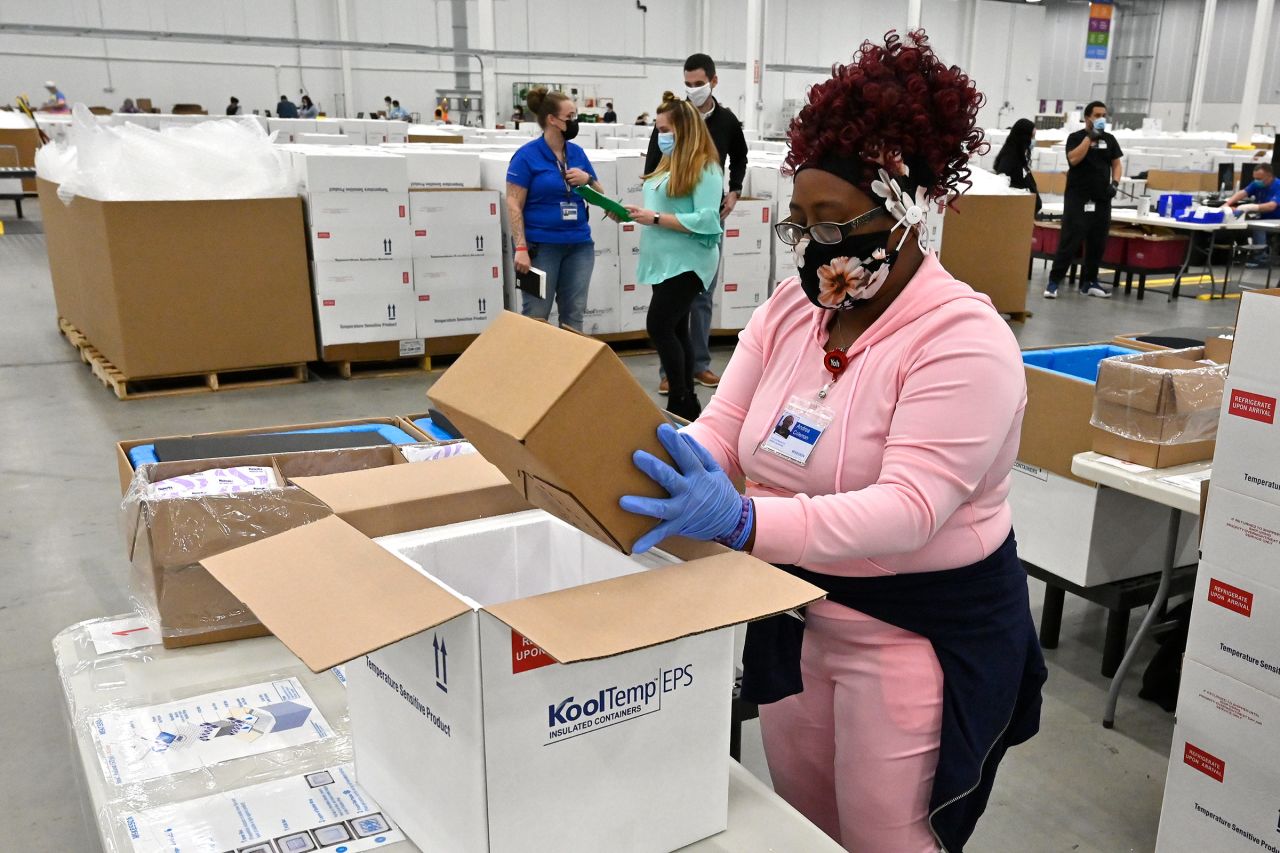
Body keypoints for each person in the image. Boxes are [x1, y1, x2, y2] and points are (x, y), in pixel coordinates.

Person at [618, 30, 1046, 853]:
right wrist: (689, 462)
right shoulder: (792, 310)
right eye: (801, 223)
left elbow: (909, 510)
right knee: (803, 823)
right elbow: (727, 424)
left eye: (836, 220)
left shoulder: (961, 340)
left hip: (915, 634)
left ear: (910, 207)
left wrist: (744, 524)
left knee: (891, 834)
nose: (819, 245)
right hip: (795, 612)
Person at [645, 53, 749, 394]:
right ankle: (673, 375)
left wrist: (734, 191)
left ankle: (695, 369)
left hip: (700, 224)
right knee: (669, 319)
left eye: (698, 83)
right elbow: (653, 165)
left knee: (695, 302)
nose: (693, 90)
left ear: (714, 81)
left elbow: (739, 157)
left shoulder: (725, 125)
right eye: (687, 84)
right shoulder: (672, 124)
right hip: (670, 230)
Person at [624, 93, 725, 421]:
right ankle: (687, 404)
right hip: (664, 261)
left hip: (688, 261)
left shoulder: (705, 168)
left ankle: (680, 399)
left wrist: (653, 218)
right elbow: (662, 208)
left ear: (684, 128)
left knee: (659, 324)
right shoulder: (669, 164)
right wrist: (633, 213)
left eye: (665, 129)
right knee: (677, 329)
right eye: (658, 130)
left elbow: (707, 219)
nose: (660, 136)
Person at [506, 87, 607, 333]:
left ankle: (571, 371)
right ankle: (534, 371)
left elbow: (599, 195)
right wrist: (520, 248)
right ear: (552, 120)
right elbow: (513, 203)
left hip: (579, 245)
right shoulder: (526, 156)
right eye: (570, 116)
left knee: (573, 314)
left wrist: (588, 180)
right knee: (536, 316)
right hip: (541, 247)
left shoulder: (577, 153)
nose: (575, 122)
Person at [1045, 101, 1123, 299]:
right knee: (1070, 239)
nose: (1101, 119)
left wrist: (1114, 183)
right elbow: (1073, 159)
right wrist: (1090, 138)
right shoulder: (1076, 138)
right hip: (1078, 198)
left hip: (1102, 198)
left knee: (1098, 241)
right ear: (1087, 117)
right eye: (1097, 115)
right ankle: (1054, 282)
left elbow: (1116, 164)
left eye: (1103, 115)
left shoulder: (1110, 140)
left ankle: (1090, 282)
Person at [1224, 163, 1280, 268]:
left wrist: (1250, 207)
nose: (1256, 181)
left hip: (1276, 221)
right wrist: (1227, 204)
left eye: (1259, 178)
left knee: (1258, 227)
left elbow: (1271, 206)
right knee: (1239, 224)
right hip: (1263, 218)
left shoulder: (1278, 186)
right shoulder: (1258, 183)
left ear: (1269, 176)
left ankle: (1260, 258)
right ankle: (1243, 252)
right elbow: (1243, 192)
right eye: (1255, 178)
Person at [993, 118, 1041, 215]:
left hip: (1024, 211)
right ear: (1024, 137)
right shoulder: (1009, 156)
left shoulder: (1020, 155)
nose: (1033, 141)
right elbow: (1002, 181)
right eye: (1032, 137)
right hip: (1015, 212)